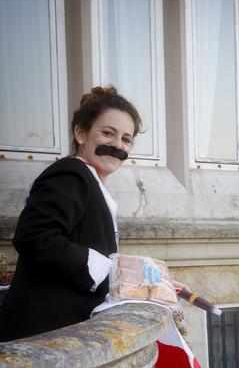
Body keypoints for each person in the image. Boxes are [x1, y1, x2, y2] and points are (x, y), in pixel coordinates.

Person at [0, 86, 141, 341]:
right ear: (81, 133)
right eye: (108, 133)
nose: (117, 145)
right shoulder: (72, 173)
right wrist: (103, 266)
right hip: (43, 332)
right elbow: (34, 237)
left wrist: (151, 279)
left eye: (126, 139)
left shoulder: (90, 181)